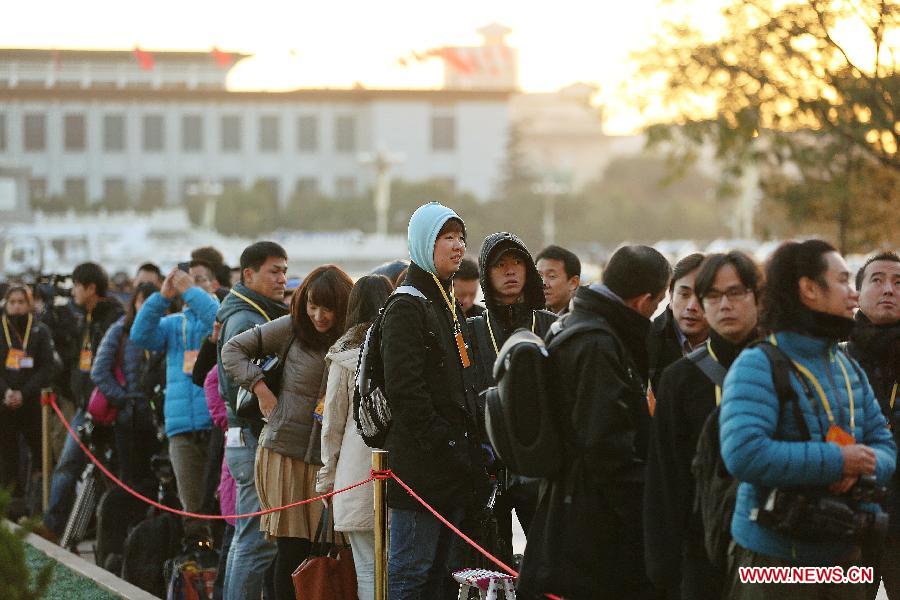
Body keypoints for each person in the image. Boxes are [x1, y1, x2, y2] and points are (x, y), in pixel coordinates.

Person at [720, 240, 896, 599]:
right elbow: (744, 453)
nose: (852, 295)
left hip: (844, 555)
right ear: (809, 290)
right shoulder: (759, 363)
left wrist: (863, 466)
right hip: (775, 560)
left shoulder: (845, 365)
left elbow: (884, 445)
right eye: (844, 281)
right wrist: (838, 462)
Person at [518, 244, 670, 599]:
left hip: (565, 511)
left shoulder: (574, 324)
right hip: (589, 527)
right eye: (659, 301)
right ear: (643, 301)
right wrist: (652, 503)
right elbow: (604, 446)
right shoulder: (598, 344)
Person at [222, 264, 353, 600]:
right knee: (291, 552)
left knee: (325, 552)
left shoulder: (353, 336)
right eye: (312, 305)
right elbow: (231, 351)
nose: (319, 315)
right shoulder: (293, 327)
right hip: (283, 453)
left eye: (328, 307)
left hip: (329, 463)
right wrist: (261, 389)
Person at [382, 202, 487, 599]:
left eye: (461, 237)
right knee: (412, 573)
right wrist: (444, 440)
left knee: (442, 576)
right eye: (447, 237)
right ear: (425, 242)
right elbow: (405, 390)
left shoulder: (443, 301)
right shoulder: (407, 305)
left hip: (448, 464)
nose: (458, 246)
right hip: (421, 468)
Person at [643, 251, 761, 599]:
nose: (723, 304)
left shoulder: (784, 365)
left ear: (759, 297)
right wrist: (662, 566)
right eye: (712, 295)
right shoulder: (679, 378)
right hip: (700, 548)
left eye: (735, 293)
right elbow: (665, 478)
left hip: (772, 546)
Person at [467, 232, 558, 557]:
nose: (510, 271)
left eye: (517, 262)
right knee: (492, 562)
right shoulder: (470, 330)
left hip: (542, 465)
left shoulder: (551, 326)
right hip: (489, 467)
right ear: (486, 275)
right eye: (500, 265)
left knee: (549, 558)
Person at [217, 241, 290, 600]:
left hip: (242, 438)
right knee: (256, 541)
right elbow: (235, 388)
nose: (282, 278)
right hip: (250, 436)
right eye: (274, 271)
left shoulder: (252, 311)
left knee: (247, 540)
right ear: (248, 274)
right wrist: (268, 395)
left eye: (285, 271)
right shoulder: (246, 317)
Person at [316, 274, 395, 600]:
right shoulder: (398, 347)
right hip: (400, 474)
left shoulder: (344, 354)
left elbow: (332, 425)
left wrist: (325, 480)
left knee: (366, 568)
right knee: (399, 568)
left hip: (354, 473)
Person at [130, 261, 219, 544]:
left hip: (217, 425)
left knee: (222, 501)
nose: (190, 284)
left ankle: (221, 562)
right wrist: (162, 296)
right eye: (187, 280)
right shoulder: (172, 324)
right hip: (181, 427)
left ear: (213, 284)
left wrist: (190, 291)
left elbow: (221, 321)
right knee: (191, 505)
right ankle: (198, 562)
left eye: (200, 279)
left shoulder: (221, 315)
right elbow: (140, 335)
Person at [42, 262, 124, 540]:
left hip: (108, 409)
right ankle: (54, 528)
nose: (72, 291)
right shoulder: (86, 318)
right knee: (68, 466)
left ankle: (86, 532)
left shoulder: (113, 318)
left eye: (77, 285)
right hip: (85, 406)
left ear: (91, 288)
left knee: (100, 472)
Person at [846, 251, 900, 599]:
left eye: (898, 283)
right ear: (858, 294)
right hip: (849, 521)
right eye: (877, 280)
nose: (888, 290)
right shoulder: (835, 359)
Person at [91, 282, 162, 487]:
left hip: (160, 417)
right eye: (142, 301)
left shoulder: (167, 326)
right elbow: (99, 370)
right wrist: (122, 399)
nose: (147, 307)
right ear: (134, 303)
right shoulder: (121, 330)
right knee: (130, 478)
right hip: (129, 417)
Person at [0, 285, 54, 502]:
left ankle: (40, 500)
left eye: (21, 302)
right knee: (7, 454)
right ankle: (11, 503)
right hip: (5, 401)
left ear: (29, 304)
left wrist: (24, 393)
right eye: (12, 302)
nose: (16, 306)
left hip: (32, 402)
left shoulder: (40, 330)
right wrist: (6, 392)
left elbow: (47, 366)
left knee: (40, 451)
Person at [647, 253, 708, 395]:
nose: (691, 306)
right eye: (684, 295)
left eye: (701, 296)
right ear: (671, 295)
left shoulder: (734, 345)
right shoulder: (646, 343)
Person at [535, 244, 581, 315]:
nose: (543, 283)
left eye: (551, 276)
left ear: (573, 283)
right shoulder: (533, 316)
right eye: (539, 276)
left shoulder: (583, 318)